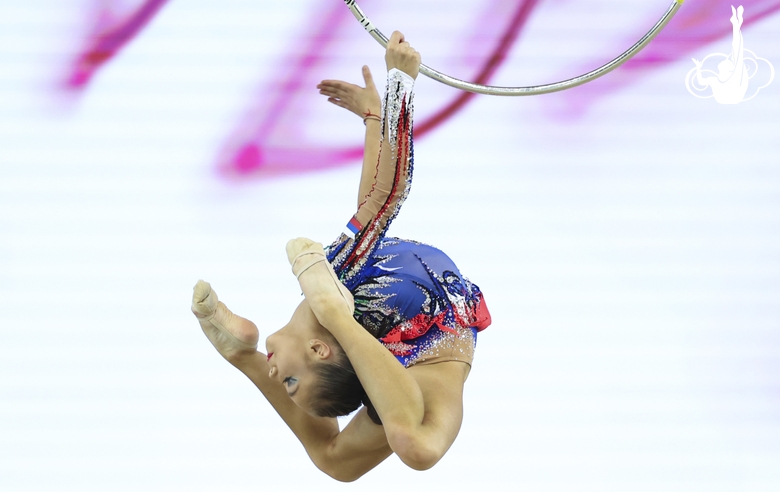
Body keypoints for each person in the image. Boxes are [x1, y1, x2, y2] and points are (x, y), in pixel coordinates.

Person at [190, 32, 491, 481]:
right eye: (289, 381)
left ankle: (241, 352)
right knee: (416, 446)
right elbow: (388, 196)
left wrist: (375, 120)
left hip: (368, 324)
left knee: (335, 462)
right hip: (428, 334)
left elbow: (373, 200)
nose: (280, 380)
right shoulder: (350, 288)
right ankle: (338, 323)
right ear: (317, 348)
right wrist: (399, 87)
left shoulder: (335, 277)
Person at [691, 5, 749, 104]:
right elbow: (701, 82)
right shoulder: (715, 80)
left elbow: (737, 47)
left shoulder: (734, 77)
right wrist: (698, 68)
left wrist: (736, 26)